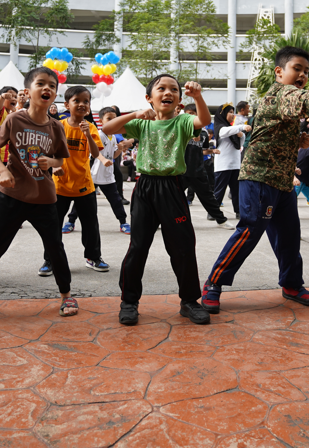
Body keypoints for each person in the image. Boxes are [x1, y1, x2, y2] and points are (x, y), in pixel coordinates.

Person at [203, 46, 309, 312]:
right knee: (249, 229)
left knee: (289, 236)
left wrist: (299, 140)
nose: (303, 75)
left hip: (282, 181)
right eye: (297, 68)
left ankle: (292, 285)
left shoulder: (285, 102)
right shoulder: (278, 96)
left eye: (306, 71)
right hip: (259, 177)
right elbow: (304, 99)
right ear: (279, 71)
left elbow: (273, 132)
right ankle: (213, 283)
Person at [0, 67, 77, 321]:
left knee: (55, 248)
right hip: (11, 196)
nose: (47, 89)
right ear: (29, 91)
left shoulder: (56, 127)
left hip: (45, 199)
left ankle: (66, 295)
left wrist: (50, 162)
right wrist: (2, 170)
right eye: (41, 84)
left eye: (52, 86)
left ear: (55, 93)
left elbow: (60, 162)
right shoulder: (14, 119)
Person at [102, 75, 212, 326]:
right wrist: (134, 115)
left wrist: (198, 97)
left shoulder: (183, 121)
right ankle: (129, 302)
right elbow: (107, 129)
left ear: (179, 100)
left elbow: (204, 120)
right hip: (145, 187)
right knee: (138, 246)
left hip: (172, 188)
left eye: (174, 89)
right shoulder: (142, 124)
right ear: (149, 98)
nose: (168, 92)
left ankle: (189, 301)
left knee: (183, 247)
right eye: (161, 88)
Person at [47, 85, 109, 276]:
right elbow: (49, 151)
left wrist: (88, 135)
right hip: (59, 186)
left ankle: (93, 257)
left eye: (86, 101)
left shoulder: (90, 127)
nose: (82, 104)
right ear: (67, 104)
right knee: (53, 226)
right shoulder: (59, 126)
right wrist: (54, 166)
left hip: (84, 186)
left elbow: (96, 152)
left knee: (91, 225)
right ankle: (50, 260)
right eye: (77, 101)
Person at [66, 106, 132, 234]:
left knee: (116, 201)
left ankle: (123, 222)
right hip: (93, 175)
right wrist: (103, 160)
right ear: (101, 120)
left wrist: (119, 149)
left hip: (107, 176)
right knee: (81, 201)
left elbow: (113, 156)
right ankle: (71, 221)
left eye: (114, 119)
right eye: (109, 118)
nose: (112, 121)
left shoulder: (113, 137)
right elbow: (95, 152)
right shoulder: (98, 134)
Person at [180, 104, 227, 224]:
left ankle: (221, 220)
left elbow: (202, 150)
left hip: (198, 171)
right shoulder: (180, 129)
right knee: (170, 198)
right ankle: (159, 221)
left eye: (193, 113)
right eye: (188, 113)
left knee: (209, 197)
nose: (190, 116)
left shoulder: (204, 133)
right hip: (181, 171)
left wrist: (211, 151)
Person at [212, 103, 250, 219]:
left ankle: (239, 212)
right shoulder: (220, 127)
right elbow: (224, 132)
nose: (232, 115)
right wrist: (241, 128)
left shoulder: (231, 128)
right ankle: (213, 212)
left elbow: (241, 143)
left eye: (233, 112)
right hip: (223, 165)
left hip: (235, 164)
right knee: (219, 191)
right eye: (229, 112)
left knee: (237, 191)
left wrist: (241, 134)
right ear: (222, 114)